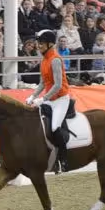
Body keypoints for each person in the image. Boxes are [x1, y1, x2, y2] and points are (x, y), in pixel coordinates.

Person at [26, 29, 71, 174]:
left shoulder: (55, 60)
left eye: (41, 43)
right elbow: (42, 83)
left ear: (50, 44)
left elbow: (58, 85)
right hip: (49, 99)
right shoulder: (44, 60)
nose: (38, 45)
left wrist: (43, 99)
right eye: (38, 43)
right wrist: (33, 96)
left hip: (61, 99)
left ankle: (63, 160)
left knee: (54, 127)